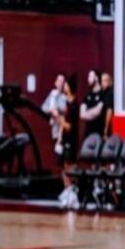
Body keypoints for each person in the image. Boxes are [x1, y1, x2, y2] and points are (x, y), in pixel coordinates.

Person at [57, 74, 80, 209]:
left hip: (71, 140)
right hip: (65, 139)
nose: (64, 86)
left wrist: (59, 119)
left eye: (66, 84)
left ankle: (72, 194)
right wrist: (60, 138)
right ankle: (67, 191)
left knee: (69, 167)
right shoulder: (66, 103)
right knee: (63, 167)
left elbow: (69, 126)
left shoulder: (74, 105)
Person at [41, 73, 67, 152]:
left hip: (63, 128)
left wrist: (57, 108)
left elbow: (65, 109)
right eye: (59, 81)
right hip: (54, 126)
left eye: (62, 81)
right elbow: (43, 108)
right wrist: (51, 110)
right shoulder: (52, 94)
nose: (60, 83)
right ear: (55, 82)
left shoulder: (65, 96)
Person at [80, 69, 104, 138]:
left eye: (90, 76)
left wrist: (87, 112)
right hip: (88, 133)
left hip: (99, 133)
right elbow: (82, 115)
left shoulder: (103, 94)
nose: (88, 79)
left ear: (96, 78)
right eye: (88, 76)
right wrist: (92, 113)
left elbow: (98, 112)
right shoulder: (87, 95)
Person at [100, 72, 114, 140]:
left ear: (110, 82)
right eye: (102, 81)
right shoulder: (103, 93)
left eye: (105, 81)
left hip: (109, 127)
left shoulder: (110, 94)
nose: (103, 83)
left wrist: (106, 128)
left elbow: (109, 111)